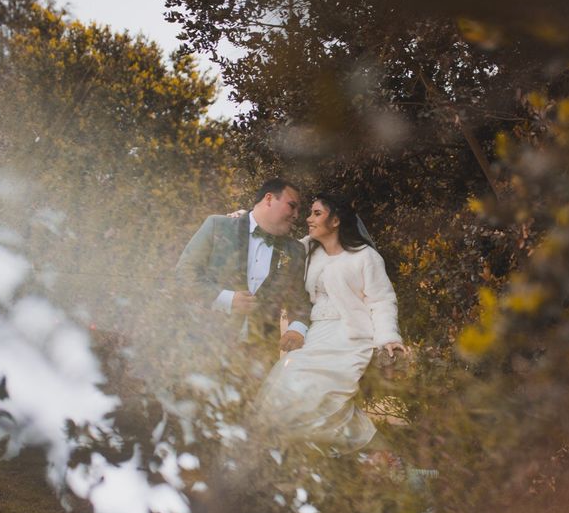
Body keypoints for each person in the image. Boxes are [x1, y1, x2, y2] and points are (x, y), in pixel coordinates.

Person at [253, 192, 408, 455]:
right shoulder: (306, 250)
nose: (308, 219)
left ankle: (386, 462)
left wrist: (388, 338)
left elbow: (381, 301)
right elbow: (273, 244)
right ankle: (385, 459)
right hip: (315, 335)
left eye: (316, 213)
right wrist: (245, 219)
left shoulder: (365, 257)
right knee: (284, 392)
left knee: (323, 400)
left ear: (335, 221)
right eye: (309, 213)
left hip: (350, 337)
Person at [174, 178, 311, 370]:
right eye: (292, 206)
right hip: (204, 348)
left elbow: (301, 302)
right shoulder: (217, 226)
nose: (297, 215)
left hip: (258, 360)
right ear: (269, 199)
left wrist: (297, 329)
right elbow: (184, 274)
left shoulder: (294, 250)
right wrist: (226, 299)